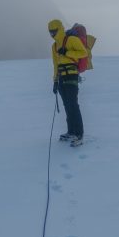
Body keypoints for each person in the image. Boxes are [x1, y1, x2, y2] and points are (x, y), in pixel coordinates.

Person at [49, 19, 88, 147]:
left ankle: (79, 134)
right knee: (67, 105)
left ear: (60, 29)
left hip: (71, 75)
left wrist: (66, 52)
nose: (52, 34)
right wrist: (55, 81)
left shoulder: (71, 40)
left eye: (54, 31)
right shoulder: (54, 46)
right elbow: (55, 64)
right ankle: (71, 131)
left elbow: (83, 52)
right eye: (50, 32)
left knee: (73, 105)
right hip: (61, 78)